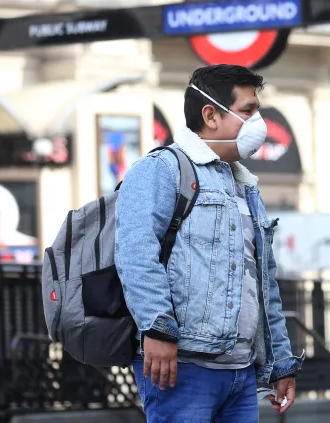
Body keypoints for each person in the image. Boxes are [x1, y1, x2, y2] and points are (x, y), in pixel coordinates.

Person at [116, 64, 305, 422]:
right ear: (211, 115)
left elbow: (264, 283)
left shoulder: (246, 187)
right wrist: (157, 327)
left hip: (241, 371)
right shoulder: (162, 169)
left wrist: (281, 361)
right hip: (183, 367)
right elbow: (135, 252)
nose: (258, 122)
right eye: (248, 111)